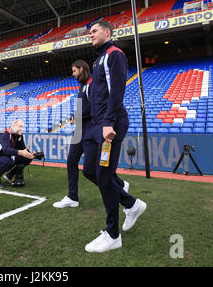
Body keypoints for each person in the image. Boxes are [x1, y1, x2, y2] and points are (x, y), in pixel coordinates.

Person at [83, 20, 147, 253]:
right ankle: (131, 204)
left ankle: (113, 235)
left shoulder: (114, 54)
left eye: (95, 31)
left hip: (111, 125)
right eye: (89, 32)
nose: (91, 34)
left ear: (108, 32)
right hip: (98, 126)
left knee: (103, 175)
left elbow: (117, 91)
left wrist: (108, 122)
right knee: (92, 171)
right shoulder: (98, 59)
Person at [53, 60, 129, 209]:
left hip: (91, 129)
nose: (73, 74)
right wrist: (76, 115)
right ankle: (72, 197)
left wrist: (78, 115)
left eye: (74, 71)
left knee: (93, 170)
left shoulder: (94, 83)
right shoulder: (82, 86)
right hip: (80, 129)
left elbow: (94, 108)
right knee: (71, 161)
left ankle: (119, 187)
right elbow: (83, 108)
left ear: (82, 69)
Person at [0, 119, 35, 189]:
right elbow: (6, 149)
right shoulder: (4, 134)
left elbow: (23, 149)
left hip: (9, 157)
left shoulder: (19, 136)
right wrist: (20, 152)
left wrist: (31, 154)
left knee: (27, 158)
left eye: (23, 127)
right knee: (9, 161)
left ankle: (10, 175)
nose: (22, 129)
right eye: (20, 126)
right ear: (13, 125)